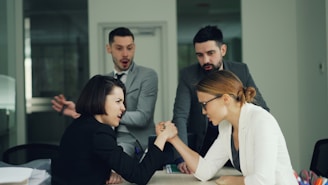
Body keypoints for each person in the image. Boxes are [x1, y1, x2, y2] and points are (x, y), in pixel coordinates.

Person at [162, 70, 298, 185]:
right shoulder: (226, 127)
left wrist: (232, 180)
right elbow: (204, 171)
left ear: (225, 99)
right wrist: (174, 139)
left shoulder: (261, 121)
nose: (203, 111)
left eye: (205, 104)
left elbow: (263, 181)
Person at [172, 25, 269, 173]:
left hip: (237, 145)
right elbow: (180, 116)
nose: (205, 60)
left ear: (223, 50)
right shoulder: (188, 75)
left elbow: (261, 107)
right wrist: (182, 157)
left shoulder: (240, 71)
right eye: (200, 55)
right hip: (203, 147)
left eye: (211, 53)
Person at [51, 27, 158, 158]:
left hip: (135, 142)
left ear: (134, 48)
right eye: (119, 48)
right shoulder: (103, 81)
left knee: (114, 163)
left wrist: (99, 111)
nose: (125, 54)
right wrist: (81, 111)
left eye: (129, 48)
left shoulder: (147, 75)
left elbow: (142, 118)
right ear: (109, 49)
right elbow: (97, 117)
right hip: (106, 138)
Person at [51, 75, 177, 185]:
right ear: (100, 100)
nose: (123, 108)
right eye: (118, 101)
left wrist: (105, 172)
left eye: (123, 102)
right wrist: (162, 137)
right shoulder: (100, 133)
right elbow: (140, 175)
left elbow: (85, 166)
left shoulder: (81, 124)